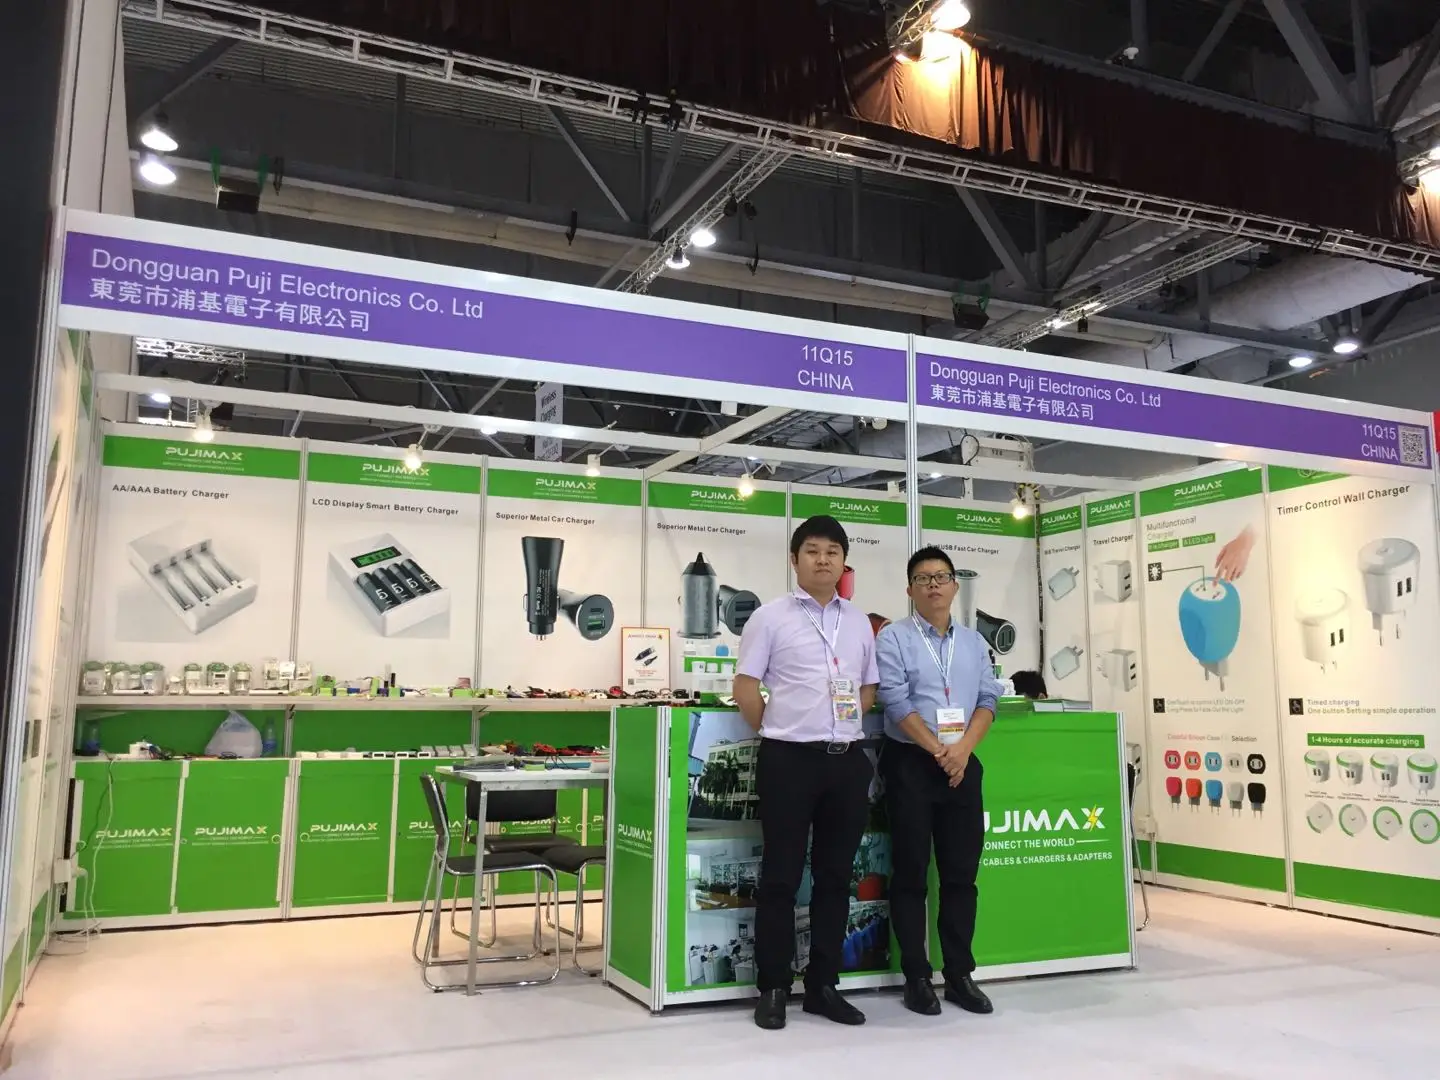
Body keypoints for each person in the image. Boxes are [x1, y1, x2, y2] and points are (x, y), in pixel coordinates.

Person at [734, 515, 879, 1031]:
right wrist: (777, 730)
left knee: (836, 877)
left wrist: (844, 725)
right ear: (795, 560)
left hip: (846, 761)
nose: (823, 560)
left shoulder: (858, 622)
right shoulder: (769, 617)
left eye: (832, 552)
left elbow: (867, 688)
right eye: (813, 551)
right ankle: (773, 986)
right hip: (789, 760)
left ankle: (823, 986)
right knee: (781, 875)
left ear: (844, 563)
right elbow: (745, 686)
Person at [875, 545, 1003, 1017]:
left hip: (962, 766)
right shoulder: (894, 638)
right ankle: (916, 976)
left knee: (961, 876)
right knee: (911, 873)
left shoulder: (973, 643)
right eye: (923, 578)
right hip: (911, 762)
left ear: (954, 585)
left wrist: (963, 750)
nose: (933, 584)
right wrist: (938, 750)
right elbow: (894, 700)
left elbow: (988, 698)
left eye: (941, 577)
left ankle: (959, 974)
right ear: (910, 590)